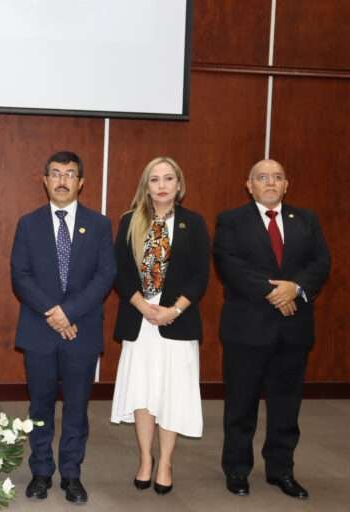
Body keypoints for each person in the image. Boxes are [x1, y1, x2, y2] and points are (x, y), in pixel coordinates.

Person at [214, 159, 330, 499]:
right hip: (246, 328)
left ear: (286, 184)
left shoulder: (306, 220)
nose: (270, 182)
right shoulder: (231, 220)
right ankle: (237, 470)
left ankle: (281, 471)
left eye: (277, 177)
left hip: (294, 329)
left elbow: (320, 262)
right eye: (262, 178)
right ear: (249, 185)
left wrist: (295, 288)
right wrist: (275, 292)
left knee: (286, 406)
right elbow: (229, 263)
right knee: (241, 405)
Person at [10, 151, 115, 504]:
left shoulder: (99, 225)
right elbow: (20, 276)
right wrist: (54, 314)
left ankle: (71, 474)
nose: (62, 180)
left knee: (76, 407)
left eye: (70, 174)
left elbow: (105, 277)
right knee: (39, 407)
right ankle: (41, 471)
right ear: (44, 180)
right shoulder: (28, 223)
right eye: (55, 173)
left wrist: (68, 313)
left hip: (81, 330)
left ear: (81, 182)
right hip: (39, 331)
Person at [110, 157, 209, 495]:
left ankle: (165, 461)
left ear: (179, 185)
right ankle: (145, 460)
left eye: (169, 178)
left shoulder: (193, 224)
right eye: (155, 179)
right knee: (143, 393)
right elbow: (120, 272)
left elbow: (200, 275)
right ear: (146, 186)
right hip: (140, 322)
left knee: (172, 393)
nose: (162, 185)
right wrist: (143, 307)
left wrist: (173, 310)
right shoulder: (129, 222)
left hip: (177, 322)